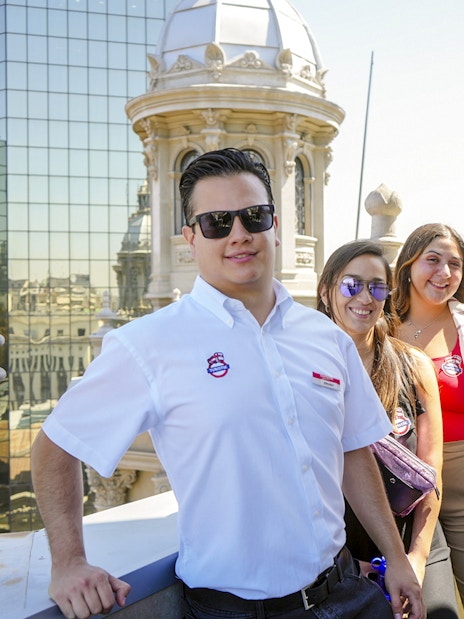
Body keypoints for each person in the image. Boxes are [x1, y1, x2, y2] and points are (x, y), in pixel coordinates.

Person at [31, 149, 425, 619]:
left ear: (274, 225)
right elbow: (56, 446)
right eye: (217, 222)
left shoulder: (325, 337)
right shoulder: (148, 345)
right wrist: (69, 562)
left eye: (253, 217)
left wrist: (397, 558)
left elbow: (354, 451)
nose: (239, 234)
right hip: (234, 611)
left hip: (345, 592)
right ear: (190, 237)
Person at [317, 239, 460, 618]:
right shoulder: (306, 373)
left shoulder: (413, 366)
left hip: (414, 539)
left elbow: (432, 475)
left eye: (377, 287)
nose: (365, 297)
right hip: (337, 559)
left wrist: (415, 557)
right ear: (326, 291)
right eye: (352, 285)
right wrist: (346, 562)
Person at [392, 223, 464, 606]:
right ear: (408, 266)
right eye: (432, 260)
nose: (445, 273)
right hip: (409, 497)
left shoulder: (462, 323)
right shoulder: (379, 325)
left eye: (455, 263)